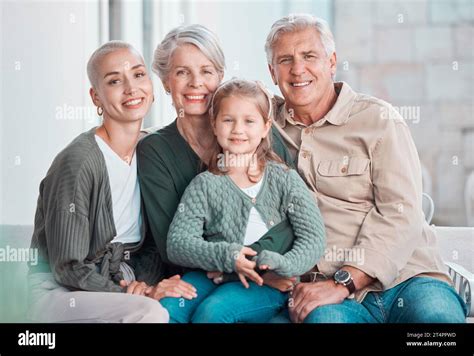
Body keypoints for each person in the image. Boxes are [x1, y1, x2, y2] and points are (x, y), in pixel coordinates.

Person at [264, 14, 467, 323]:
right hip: (327, 293)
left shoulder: (379, 120)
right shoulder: (262, 126)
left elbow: (401, 213)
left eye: (309, 56)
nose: (297, 69)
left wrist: (343, 282)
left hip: (409, 278)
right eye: (285, 59)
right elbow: (214, 99)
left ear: (331, 62)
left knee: (437, 324)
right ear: (271, 71)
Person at [27, 41, 196, 323]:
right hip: (61, 291)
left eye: (139, 75)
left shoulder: (151, 153)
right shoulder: (78, 162)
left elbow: (152, 244)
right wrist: (134, 293)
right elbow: (67, 266)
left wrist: (144, 284)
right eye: (115, 81)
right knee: (151, 313)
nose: (131, 89)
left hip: (119, 283)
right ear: (96, 97)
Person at [137, 25, 298, 294]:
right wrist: (230, 263)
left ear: (220, 76)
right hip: (193, 281)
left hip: (270, 272)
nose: (196, 83)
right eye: (182, 72)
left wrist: (248, 262)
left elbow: (296, 214)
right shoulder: (154, 151)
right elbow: (170, 244)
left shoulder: (255, 134)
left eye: (206, 71)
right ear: (166, 81)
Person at [160, 79, 326, 323]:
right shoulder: (204, 184)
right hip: (211, 273)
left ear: (265, 127)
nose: (238, 129)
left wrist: (284, 264)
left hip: (267, 282)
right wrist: (228, 256)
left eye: (249, 121)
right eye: (228, 120)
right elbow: (178, 243)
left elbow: (314, 238)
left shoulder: (285, 179)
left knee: (214, 313)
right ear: (214, 125)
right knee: (168, 310)